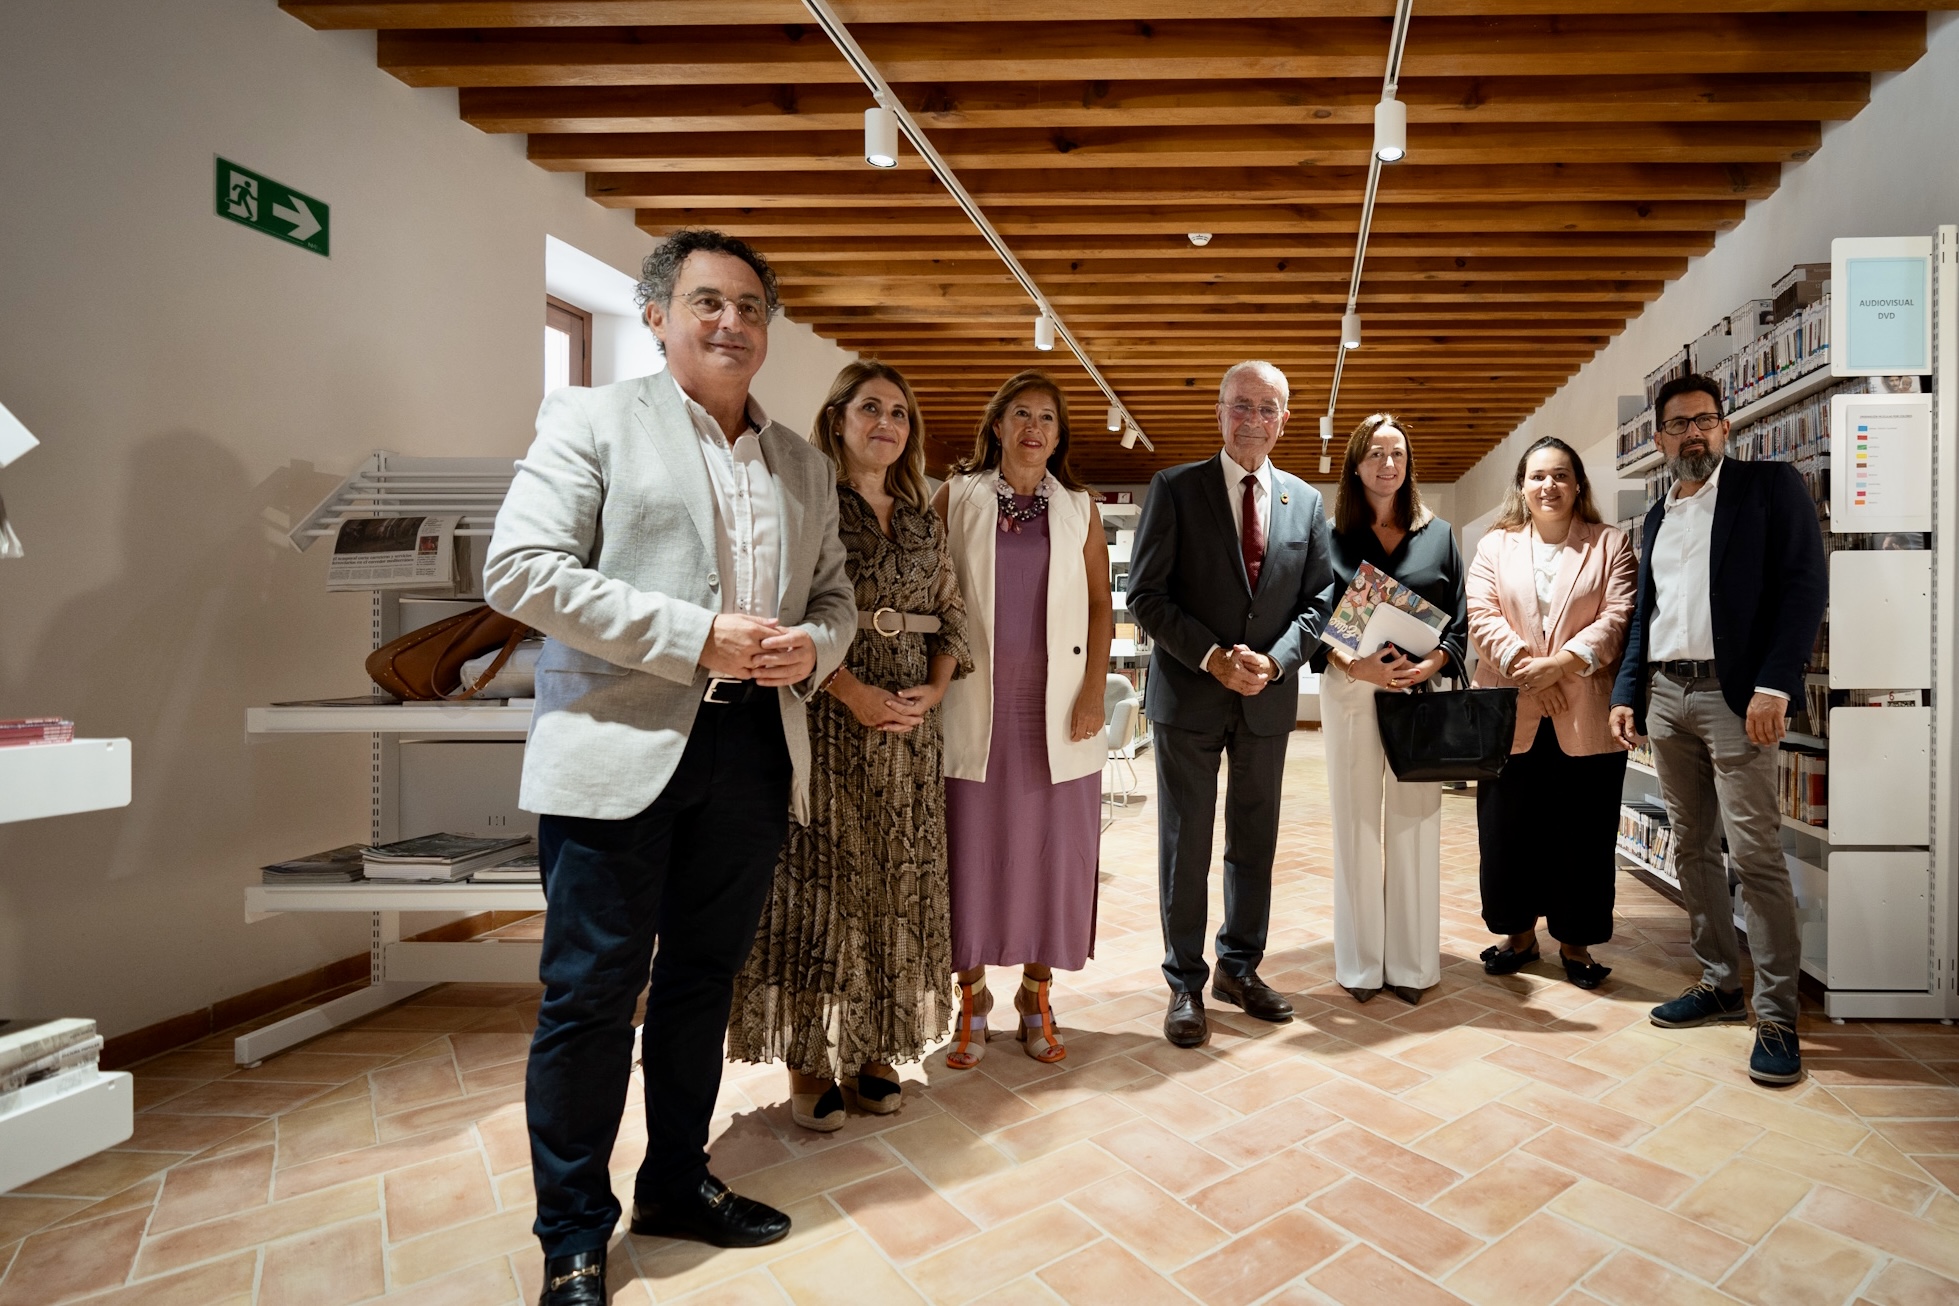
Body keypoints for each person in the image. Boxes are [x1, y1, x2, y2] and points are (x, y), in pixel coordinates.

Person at [484, 229, 857, 1305]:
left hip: (751, 748)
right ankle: (571, 1232)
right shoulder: (592, 417)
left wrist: (815, 648)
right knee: (591, 994)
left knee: (702, 982)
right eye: (707, 301)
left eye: (749, 306)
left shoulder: (802, 463)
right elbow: (521, 569)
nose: (731, 321)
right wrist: (695, 633)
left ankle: (678, 1183)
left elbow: (831, 599)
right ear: (657, 316)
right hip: (620, 750)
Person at [728, 361, 970, 1131]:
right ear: (837, 419)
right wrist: (850, 692)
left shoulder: (923, 517)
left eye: (899, 413)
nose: (886, 425)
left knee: (895, 893)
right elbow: (781, 614)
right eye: (870, 409)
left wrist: (934, 687)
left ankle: (875, 1051)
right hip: (828, 724)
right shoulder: (807, 504)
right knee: (821, 890)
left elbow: (951, 612)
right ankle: (809, 1061)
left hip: (908, 734)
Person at [1610, 373, 1826, 1086]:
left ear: (1724, 427)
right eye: (1677, 425)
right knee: (1692, 846)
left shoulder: (1768, 488)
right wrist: (1627, 692)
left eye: (1704, 420)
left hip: (1738, 698)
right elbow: (1646, 615)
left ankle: (1774, 1015)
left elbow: (1802, 586)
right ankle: (1717, 982)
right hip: (1666, 695)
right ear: (1659, 439)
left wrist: (1774, 684)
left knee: (1755, 852)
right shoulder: (1655, 516)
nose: (1692, 433)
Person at [1126, 361, 1334, 1049]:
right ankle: (1184, 982)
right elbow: (1146, 596)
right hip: (1188, 695)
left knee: (1254, 843)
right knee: (1185, 846)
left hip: (1265, 700)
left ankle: (1238, 969)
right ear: (1219, 412)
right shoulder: (1175, 489)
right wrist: (1213, 657)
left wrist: (1274, 660)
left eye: (1266, 408)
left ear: (1284, 418)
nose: (1252, 420)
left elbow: (1321, 601)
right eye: (1240, 406)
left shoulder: (1303, 503)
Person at [934, 371, 1112, 1068]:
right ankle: (971, 996)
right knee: (969, 853)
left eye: (1046, 418)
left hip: (1058, 710)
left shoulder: (1080, 508)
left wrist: (1094, 692)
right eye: (1020, 415)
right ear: (998, 425)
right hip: (974, 705)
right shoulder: (958, 497)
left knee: (1052, 857)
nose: (1033, 428)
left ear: (1058, 435)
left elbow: (1101, 606)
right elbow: (935, 594)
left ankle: (1036, 993)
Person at [1467, 437, 1637, 990]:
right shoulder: (1495, 546)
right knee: (1505, 830)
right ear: (1522, 485)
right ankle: (1516, 935)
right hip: (1511, 711)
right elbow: (1481, 615)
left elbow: (1617, 617)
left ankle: (1576, 940)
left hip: (1584, 710)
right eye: (1538, 476)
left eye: (1561, 475)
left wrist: (1561, 663)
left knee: (1583, 831)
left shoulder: (1611, 544)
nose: (1550, 486)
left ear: (1578, 484)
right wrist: (1528, 671)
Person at [1313, 413, 1467, 1007]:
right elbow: (1311, 617)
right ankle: (1359, 966)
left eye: (1397, 453)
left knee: (1415, 820)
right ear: (1356, 465)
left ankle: (1411, 964)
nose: (1387, 463)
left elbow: (1459, 614)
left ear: (1409, 465)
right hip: (1350, 687)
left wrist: (1436, 664)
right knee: (1354, 824)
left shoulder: (1440, 533)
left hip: (1417, 691)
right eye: (1375, 453)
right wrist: (1356, 666)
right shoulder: (1330, 535)